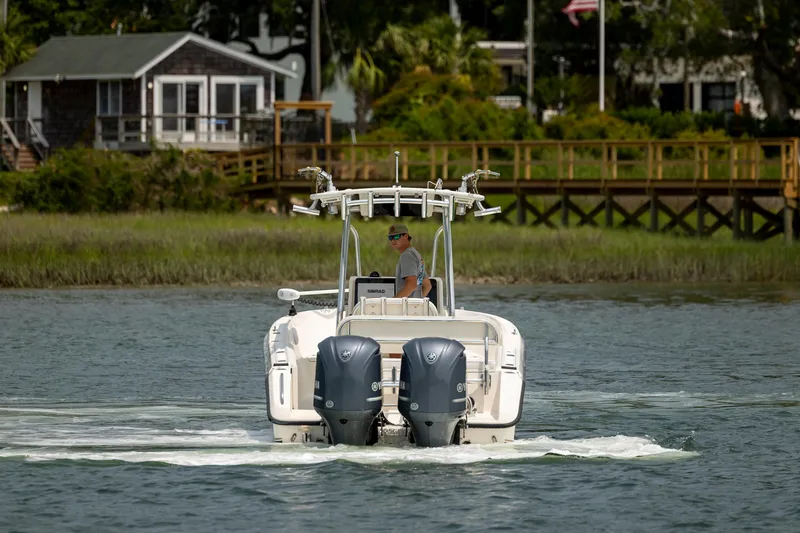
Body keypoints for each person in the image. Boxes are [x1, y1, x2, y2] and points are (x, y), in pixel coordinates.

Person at [387, 223, 432, 298]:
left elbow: (411, 284)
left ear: (406, 236)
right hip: (415, 307)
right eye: (390, 238)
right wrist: (417, 301)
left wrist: (393, 302)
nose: (393, 240)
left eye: (396, 236)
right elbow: (427, 286)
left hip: (406, 308)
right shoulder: (416, 254)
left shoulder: (406, 255)